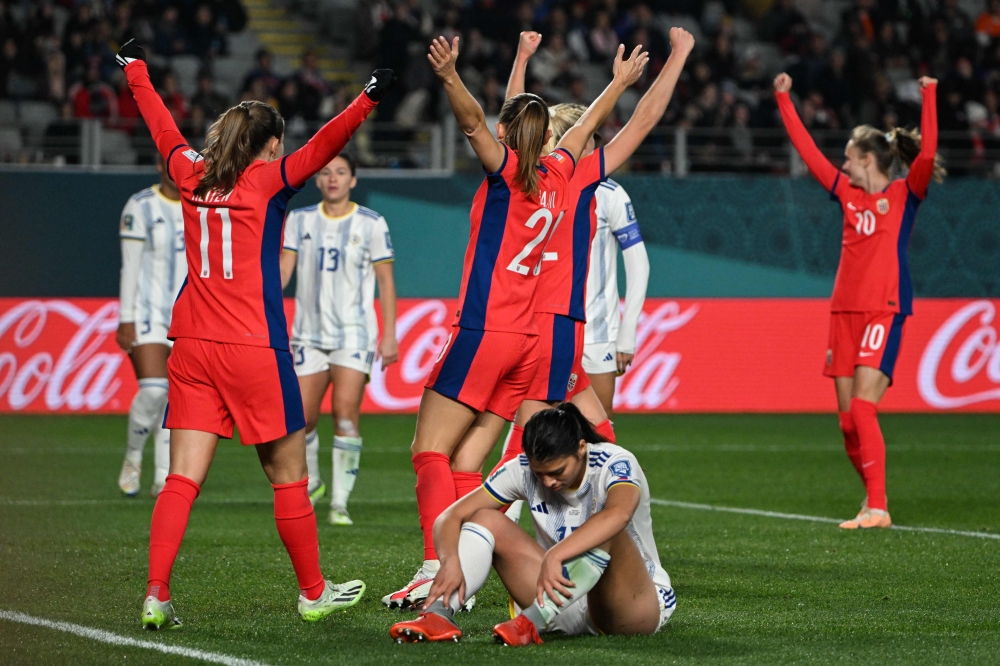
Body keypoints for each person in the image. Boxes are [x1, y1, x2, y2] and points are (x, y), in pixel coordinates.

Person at [114, 39, 395, 629]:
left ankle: (156, 592)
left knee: (182, 478)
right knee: (289, 476)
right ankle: (313, 591)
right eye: (279, 143)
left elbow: (160, 125)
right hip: (253, 347)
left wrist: (136, 69)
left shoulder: (189, 174)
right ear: (269, 145)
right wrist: (366, 101)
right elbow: (325, 148)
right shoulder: (267, 182)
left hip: (190, 345)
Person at [381, 35, 649, 611]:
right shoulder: (560, 175)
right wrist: (619, 84)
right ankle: (471, 562)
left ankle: (437, 565)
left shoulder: (504, 174)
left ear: (507, 137)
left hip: (483, 331)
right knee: (468, 465)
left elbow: (476, 121)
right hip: (528, 342)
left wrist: (451, 76)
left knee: (428, 452)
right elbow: (579, 127)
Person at [489, 28, 691, 513]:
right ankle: (480, 542)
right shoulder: (574, 179)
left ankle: (485, 539)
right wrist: (670, 61)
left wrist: (520, 59)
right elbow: (643, 122)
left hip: (544, 328)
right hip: (553, 330)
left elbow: (509, 119)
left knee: (575, 437)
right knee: (550, 444)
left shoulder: (514, 175)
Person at [774, 72, 943, 529]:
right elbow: (808, 154)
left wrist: (928, 93)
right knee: (848, 423)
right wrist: (783, 99)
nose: (843, 167)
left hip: (884, 308)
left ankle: (878, 508)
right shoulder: (845, 194)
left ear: (868, 159)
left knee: (864, 409)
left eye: (849, 159)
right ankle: (873, 500)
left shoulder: (905, 194)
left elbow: (926, 153)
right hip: (843, 311)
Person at [388, 403, 676, 644]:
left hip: (630, 605)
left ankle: (530, 624)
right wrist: (449, 560)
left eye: (557, 471)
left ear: (581, 448)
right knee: (485, 517)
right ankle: (439, 615)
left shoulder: (615, 462)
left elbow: (619, 514)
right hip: (560, 596)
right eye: (540, 474)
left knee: (609, 530)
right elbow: (449, 517)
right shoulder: (523, 468)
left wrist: (557, 553)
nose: (548, 482)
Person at [279, 153, 398, 525]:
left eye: (341, 172)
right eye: (326, 172)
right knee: (302, 419)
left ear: (353, 180)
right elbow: (284, 270)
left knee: (345, 415)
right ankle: (313, 481)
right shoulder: (299, 221)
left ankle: (340, 504)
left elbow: (385, 281)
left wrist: (390, 334)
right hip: (307, 335)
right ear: (317, 180)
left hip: (353, 334)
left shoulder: (371, 223)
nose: (333, 178)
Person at [116, 155, 185, 499]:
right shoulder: (141, 206)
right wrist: (125, 317)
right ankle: (133, 457)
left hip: (188, 318)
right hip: (147, 315)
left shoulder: (200, 204)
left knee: (178, 399)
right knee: (155, 390)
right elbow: (129, 267)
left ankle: (163, 476)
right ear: (160, 166)